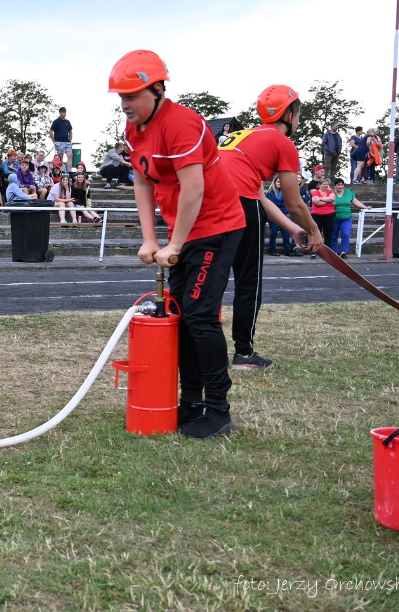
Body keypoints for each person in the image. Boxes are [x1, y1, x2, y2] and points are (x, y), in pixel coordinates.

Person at [109, 49, 245, 440]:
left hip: (216, 226)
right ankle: (190, 402)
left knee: (200, 316)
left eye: (131, 96)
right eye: (121, 98)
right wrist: (150, 238)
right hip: (183, 232)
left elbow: (194, 189)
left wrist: (175, 244)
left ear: (157, 89)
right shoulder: (133, 132)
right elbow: (141, 182)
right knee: (181, 316)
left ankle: (218, 410)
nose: (125, 106)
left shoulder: (182, 122)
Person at [216, 84, 324, 370]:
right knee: (248, 281)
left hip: (205, 201)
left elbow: (261, 196)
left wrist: (292, 229)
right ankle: (244, 353)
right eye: (298, 114)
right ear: (288, 115)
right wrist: (313, 230)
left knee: (210, 280)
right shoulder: (283, 143)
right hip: (239, 204)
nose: (299, 121)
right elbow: (295, 201)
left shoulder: (243, 136)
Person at [331, 179, 368, 257]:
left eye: (342, 184)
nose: (340, 186)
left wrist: (365, 207)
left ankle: (344, 252)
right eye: (338, 185)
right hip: (333, 217)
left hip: (346, 217)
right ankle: (333, 251)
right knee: (333, 235)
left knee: (345, 234)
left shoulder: (349, 193)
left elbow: (356, 202)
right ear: (335, 186)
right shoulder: (331, 193)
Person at [264, 178, 295, 256]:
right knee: (273, 233)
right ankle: (272, 249)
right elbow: (272, 203)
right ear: (274, 182)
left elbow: (288, 203)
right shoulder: (270, 193)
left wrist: (280, 204)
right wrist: (281, 204)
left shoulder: (285, 193)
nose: (279, 183)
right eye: (278, 181)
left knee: (286, 233)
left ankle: (287, 250)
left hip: (284, 215)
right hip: (273, 215)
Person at [310, 178, 336, 254]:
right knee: (316, 233)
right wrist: (329, 202)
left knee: (329, 234)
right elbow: (317, 203)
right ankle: (314, 251)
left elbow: (332, 198)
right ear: (320, 185)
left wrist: (320, 198)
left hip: (330, 215)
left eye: (327, 184)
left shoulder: (331, 192)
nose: (326, 186)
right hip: (317, 215)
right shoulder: (315, 192)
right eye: (324, 184)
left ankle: (328, 253)